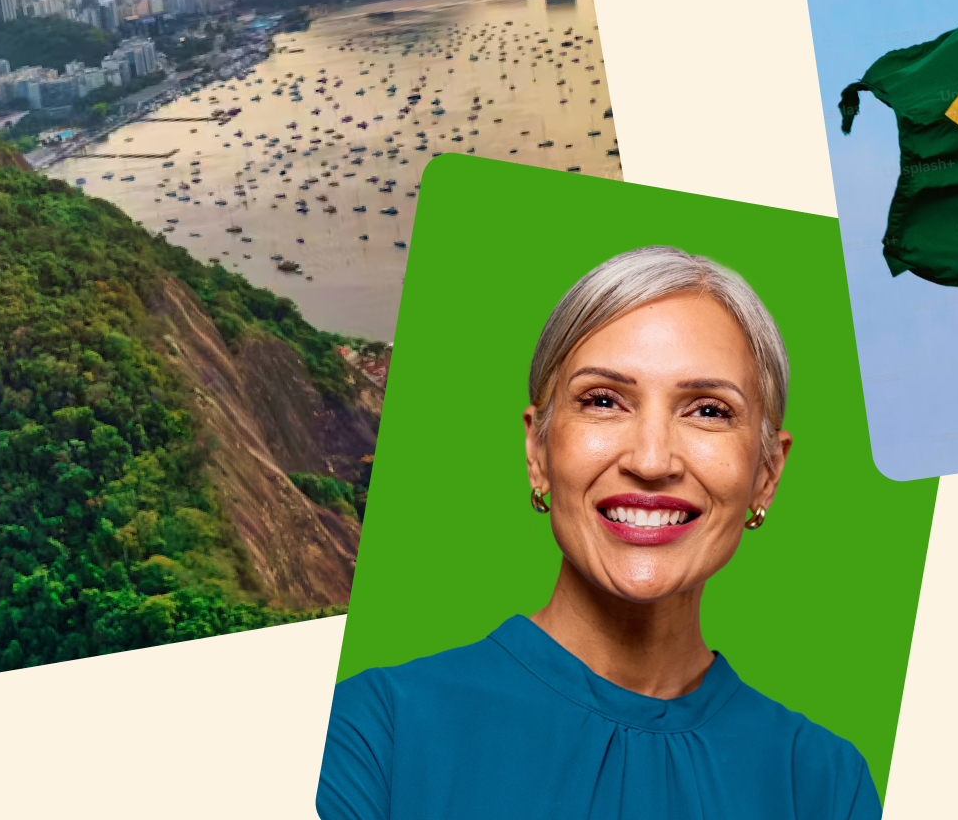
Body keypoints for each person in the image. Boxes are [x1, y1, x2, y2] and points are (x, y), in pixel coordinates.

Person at [317, 246, 878, 820]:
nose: (652, 460)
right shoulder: (372, 734)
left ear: (766, 474)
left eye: (708, 411)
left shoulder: (827, 785)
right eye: (604, 401)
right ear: (538, 452)